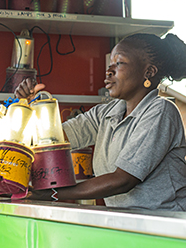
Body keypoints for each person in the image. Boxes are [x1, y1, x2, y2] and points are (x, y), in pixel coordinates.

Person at [15, 33, 186, 211]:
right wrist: (29, 106)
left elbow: (122, 180)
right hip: (128, 221)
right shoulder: (105, 113)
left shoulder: (161, 111)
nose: (109, 71)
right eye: (110, 64)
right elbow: (53, 139)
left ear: (148, 72)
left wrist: (53, 193)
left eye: (119, 63)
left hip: (166, 224)